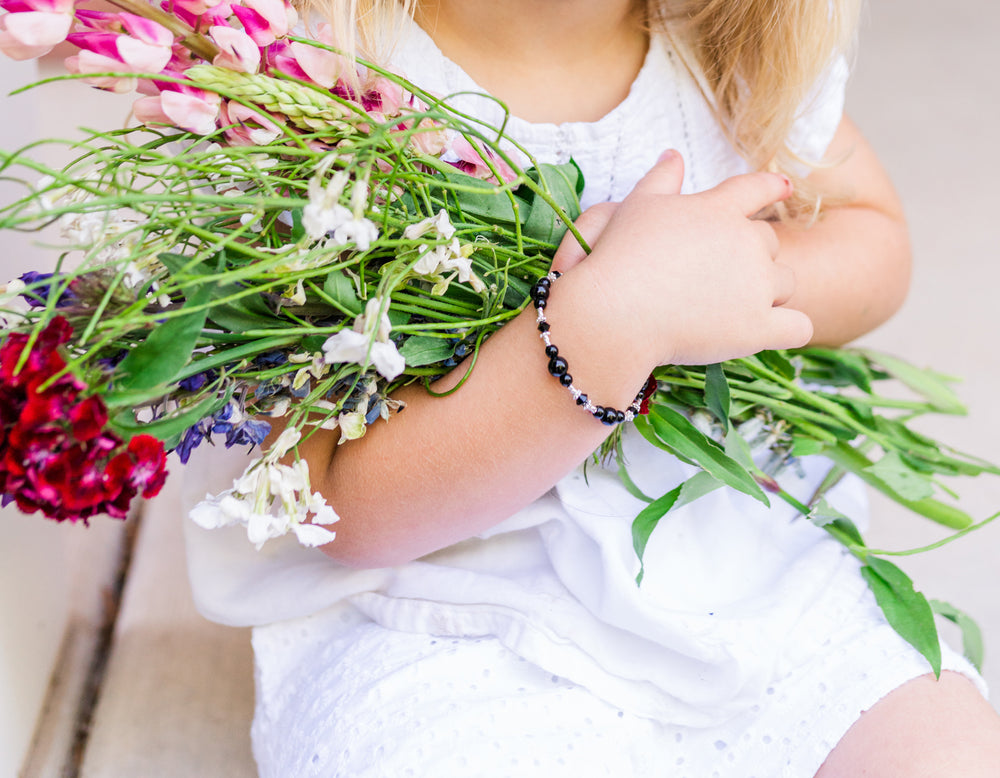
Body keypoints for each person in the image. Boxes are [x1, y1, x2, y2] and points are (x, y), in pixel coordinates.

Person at [182, 0, 1000, 774]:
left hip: (741, 562)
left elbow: (871, 234)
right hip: (449, 610)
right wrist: (606, 329)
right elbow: (338, 504)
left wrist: (729, 276)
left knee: (941, 747)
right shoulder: (317, 88)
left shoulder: (723, 51)